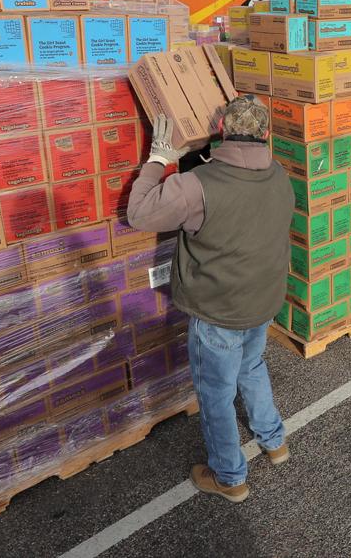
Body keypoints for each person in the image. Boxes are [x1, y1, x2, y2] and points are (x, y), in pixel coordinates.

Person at [126, 96, 294, 503]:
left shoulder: (195, 186)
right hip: (262, 302)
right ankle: (274, 441)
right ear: (267, 135)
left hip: (218, 311)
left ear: (221, 131)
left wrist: (159, 160)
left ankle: (230, 476)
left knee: (215, 394)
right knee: (251, 366)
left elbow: (138, 214)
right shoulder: (280, 177)